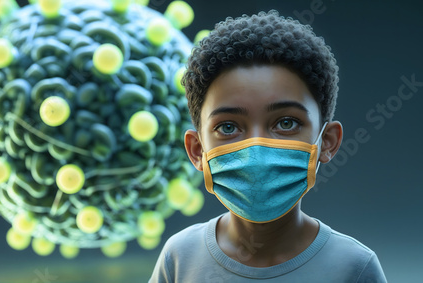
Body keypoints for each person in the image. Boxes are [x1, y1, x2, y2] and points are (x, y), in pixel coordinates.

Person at [149, 10, 387, 282]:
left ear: (327, 142)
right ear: (197, 150)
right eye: (228, 127)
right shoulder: (179, 259)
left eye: (286, 123)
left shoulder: (354, 268)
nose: (256, 149)